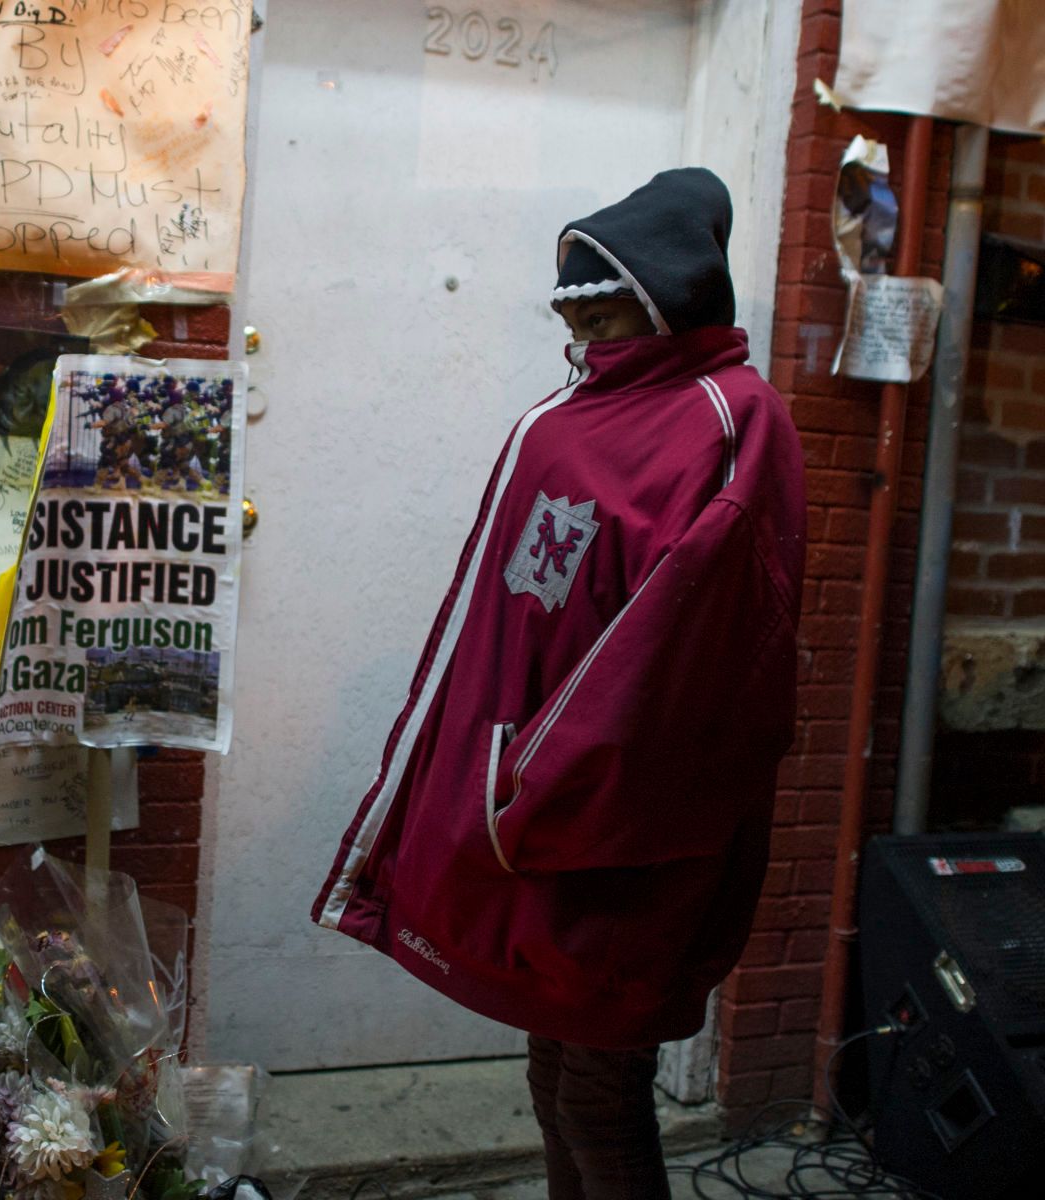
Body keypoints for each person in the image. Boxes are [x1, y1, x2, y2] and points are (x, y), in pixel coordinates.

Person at [311, 168, 805, 1200]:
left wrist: (542, 782)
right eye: (573, 309)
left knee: (600, 1090)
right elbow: (488, 623)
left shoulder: (728, 420)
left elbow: (686, 653)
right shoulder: (567, 415)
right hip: (528, 803)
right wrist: (482, 788)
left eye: (607, 304)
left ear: (672, 295)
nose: (586, 328)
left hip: (624, 814)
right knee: (552, 1072)